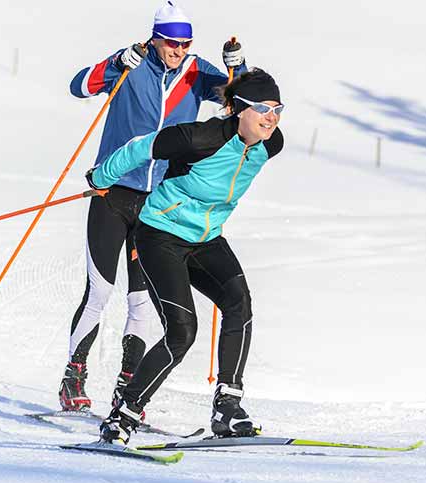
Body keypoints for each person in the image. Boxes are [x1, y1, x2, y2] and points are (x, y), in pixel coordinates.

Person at [60, 0, 248, 412]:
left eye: (185, 43)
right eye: (171, 43)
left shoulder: (196, 72)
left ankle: (127, 387)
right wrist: (113, 64)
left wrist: (238, 66)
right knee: (100, 290)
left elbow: (240, 104)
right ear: (155, 38)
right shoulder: (132, 64)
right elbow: (78, 86)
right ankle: (74, 375)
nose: (179, 50)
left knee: (141, 299)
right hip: (114, 194)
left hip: (160, 202)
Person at [82, 68, 284, 444]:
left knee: (239, 303)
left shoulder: (270, 144)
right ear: (239, 110)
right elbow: (143, 146)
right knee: (182, 332)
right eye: (262, 108)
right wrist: (101, 176)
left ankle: (228, 406)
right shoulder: (201, 137)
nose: (271, 117)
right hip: (161, 234)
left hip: (206, 238)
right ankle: (123, 415)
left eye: (277, 108)